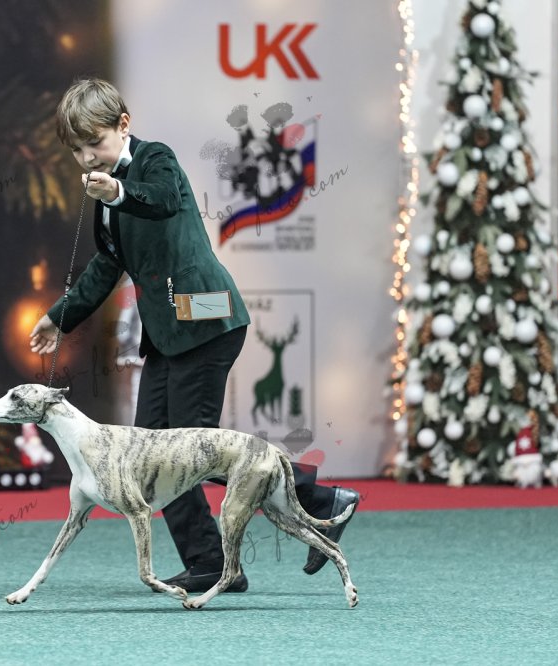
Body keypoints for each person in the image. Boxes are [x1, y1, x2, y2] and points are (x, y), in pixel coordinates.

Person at [29, 78, 358, 592]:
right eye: (76, 150)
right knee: (151, 456)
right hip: (168, 334)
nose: (87, 157)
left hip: (208, 323)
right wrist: (60, 316)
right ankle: (209, 561)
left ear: (123, 125)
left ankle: (319, 498)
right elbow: (107, 264)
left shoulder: (156, 160)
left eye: (95, 142)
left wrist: (118, 191)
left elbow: (160, 200)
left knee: (191, 452)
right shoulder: (105, 196)